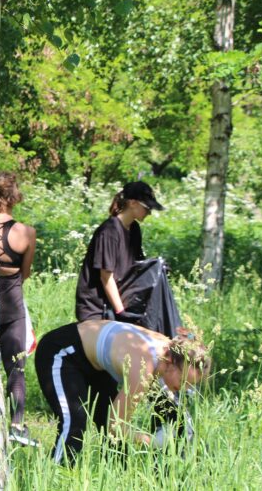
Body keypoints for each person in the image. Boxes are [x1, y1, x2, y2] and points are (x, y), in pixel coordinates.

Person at [34, 320, 210, 464]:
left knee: (114, 440)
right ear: (171, 362)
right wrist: (153, 441)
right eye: (184, 381)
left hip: (95, 365)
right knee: (75, 424)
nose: (186, 389)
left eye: (191, 384)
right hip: (62, 351)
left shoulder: (171, 351)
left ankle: (112, 480)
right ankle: (54, 475)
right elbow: (115, 425)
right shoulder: (144, 368)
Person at [75, 181, 164, 322]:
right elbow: (106, 277)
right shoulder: (109, 231)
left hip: (117, 303)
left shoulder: (134, 229)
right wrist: (121, 312)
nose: (149, 213)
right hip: (96, 309)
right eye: (147, 208)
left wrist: (155, 269)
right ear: (133, 203)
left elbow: (134, 267)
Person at [0, 172, 37, 446]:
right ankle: (16, 425)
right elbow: (26, 273)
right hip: (13, 306)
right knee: (16, 368)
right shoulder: (27, 232)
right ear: (14, 196)